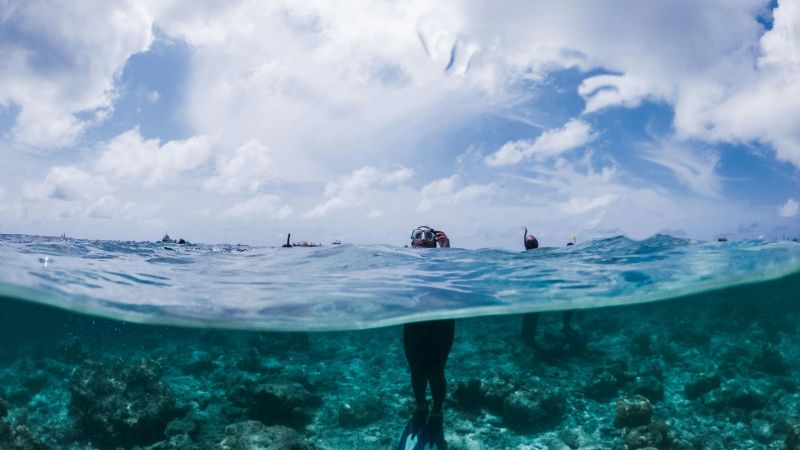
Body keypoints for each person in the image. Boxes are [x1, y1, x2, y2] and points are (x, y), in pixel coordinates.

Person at [398, 225, 453, 450]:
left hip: (442, 323)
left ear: (435, 241)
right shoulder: (404, 261)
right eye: (418, 235)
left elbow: (454, 280)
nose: (423, 238)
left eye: (429, 235)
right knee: (417, 370)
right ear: (411, 241)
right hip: (414, 323)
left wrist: (446, 252)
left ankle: (437, 412)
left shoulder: (445, 260)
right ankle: (421, 407)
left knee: (436, 370)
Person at [520, 229, 580, 351]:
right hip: (543, 288)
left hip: (540, 289)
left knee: (533, 314)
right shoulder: (544, 253)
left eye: (530, 241)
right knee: (533, 314)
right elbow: (559, 254)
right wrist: (570, 249)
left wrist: (569, 249)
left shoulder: (523, 257)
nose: (530, 243)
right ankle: (529, 338)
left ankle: (528, 337)